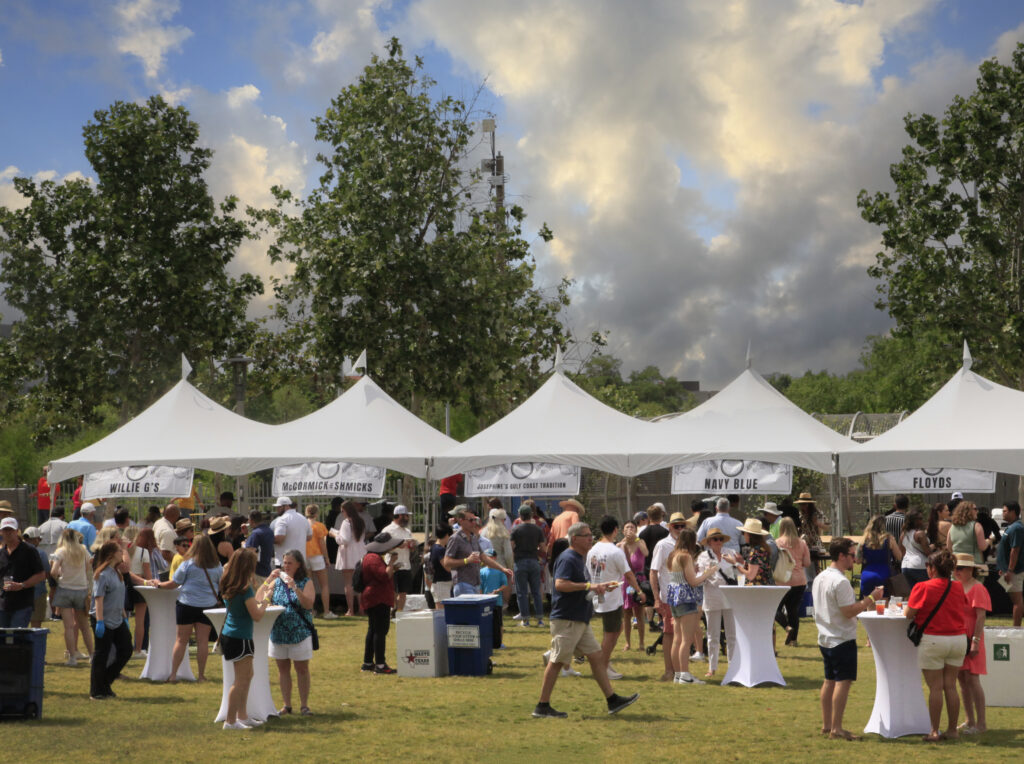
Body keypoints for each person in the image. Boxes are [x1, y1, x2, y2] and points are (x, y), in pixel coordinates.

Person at [532, 522, 640, 718]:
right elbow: (560, 584)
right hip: (568, 618)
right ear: (575, 539)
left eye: (591, 534)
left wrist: (599, 586)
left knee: (597, 657)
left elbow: (583, 585)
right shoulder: (568, 558)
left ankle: (612, 700)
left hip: (579, 618)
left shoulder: (579, 558)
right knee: (557, 662)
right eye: (586, 535)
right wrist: (589, 587)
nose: (591, 538)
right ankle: (542, 706)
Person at [812, 537, 884, 740]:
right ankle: (836, 728)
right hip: (841, 637)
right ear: (842, 556)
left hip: (825, 637)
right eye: (853, 555)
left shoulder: (821, 577)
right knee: (843, 682)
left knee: (829, 680)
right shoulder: (841, 581)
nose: (856, 560)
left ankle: (827, 725)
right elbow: (848, 611)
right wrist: (871, 598)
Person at [905, 549, 970, 742]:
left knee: (935, 687)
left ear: (932, 568)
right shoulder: (958, 587)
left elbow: (909, 614)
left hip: (933, 639)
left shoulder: (922, 587)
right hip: (958, 639)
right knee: (950, 686)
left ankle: (934, 730)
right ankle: (952, 729)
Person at [153, 533, 222, 682]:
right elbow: (221, 584)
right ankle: (201, 675)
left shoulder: (188, 564)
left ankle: (173, 675)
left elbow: (173, 584)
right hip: (207, 606)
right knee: (202, 642)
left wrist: (158, 584)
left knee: (181, 640)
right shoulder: (217, 566)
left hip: (187, 604)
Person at [586, 515, 644, 681]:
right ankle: (602, 667)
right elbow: (629, 575)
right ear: (616, 530)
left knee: (614, 630)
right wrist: (639, 591)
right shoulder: (615, 551)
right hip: (610, 597)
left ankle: (605, 662)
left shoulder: (592, 550)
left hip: (596, 594)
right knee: (611, 634)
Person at [258, 549, 316, 715]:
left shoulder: (306, 582)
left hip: (300, 633)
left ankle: (304, 705)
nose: (286, 566)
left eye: (290, 563)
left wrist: (295, 587)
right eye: (284, 563)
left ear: (298, 564)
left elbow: (308, 605)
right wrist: (269, 579)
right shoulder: (277, 583)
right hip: (278, 633)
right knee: (283, 670)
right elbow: (258, 598)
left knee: (302, 669)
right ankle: (286, 705)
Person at [219, 548, 269, 729]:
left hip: (233, 635)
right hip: (240, 637)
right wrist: (265, 601)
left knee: (247, 676)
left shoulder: (230, 583)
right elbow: (256, 615)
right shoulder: (244, 588)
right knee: (241, 680)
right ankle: (231, 721)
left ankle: (242, 715)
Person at [89, 540, 141, 699]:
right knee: (101, 654)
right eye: (120, 551)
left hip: (118, 618)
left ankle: (105, 681)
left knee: (126, 649)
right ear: (111, 554)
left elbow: (119, 599)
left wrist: (124, 617)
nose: (122, 554)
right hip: (103, 619)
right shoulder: (102, 575)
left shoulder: (118, 574)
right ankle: (97, 691)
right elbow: (98, 599)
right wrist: (99, 621)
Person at [666, 528, 715, 685]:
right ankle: (685, 675)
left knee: (678, 639)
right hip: (686, 598)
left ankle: (679, 674)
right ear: (692, 542)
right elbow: (693, 582)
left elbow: (680, 575)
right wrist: (709, 572)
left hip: (674, 598)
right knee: (686, 640)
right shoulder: (686, 556)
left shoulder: (673, 555)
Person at [954, 552, 990, 735]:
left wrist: (975, 641)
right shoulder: (957, 586)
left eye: (960, 568)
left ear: (970, 570)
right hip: (959, 637)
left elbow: (981, 616)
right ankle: (969, 720)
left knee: (973, 679)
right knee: (962, 679)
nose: (956, 571)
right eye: (954, 567)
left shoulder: (977, 588)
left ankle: (981, 723)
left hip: (972, 637)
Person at [649, 512, 686, 681]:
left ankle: (680, 671)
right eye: (676, 526)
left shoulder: (687, 544)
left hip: (685, 595)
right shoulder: (663, 545)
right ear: (669, 527)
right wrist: (656, 598)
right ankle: (669, 670)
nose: (679, 529)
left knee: (683, 634)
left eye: (682, 526)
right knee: (670, 633)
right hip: (669, 596)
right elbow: (653, 572)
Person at [696, 527, 737, 678]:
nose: (718, 542)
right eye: (715, 539)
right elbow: (699, 578)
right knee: (713, 635)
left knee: (731, 635)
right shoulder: (703, 556)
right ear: (709, 542)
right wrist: (707, 572)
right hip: (712, 597)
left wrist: (735, 563)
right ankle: (712, 668)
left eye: (720, 539)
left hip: (729, 597)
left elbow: (739, 572)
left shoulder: (730, 553)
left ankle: (733, 666)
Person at [443, 508, 512, 595]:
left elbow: (484, 557)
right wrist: (466, 560)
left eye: (475, 520)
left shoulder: (473, 537)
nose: (474, 523)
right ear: (461, 521)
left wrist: (503, 569)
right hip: (463, 583)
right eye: (471, 520)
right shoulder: (455, 538)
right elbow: (447, 562)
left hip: (475, 584)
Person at [360, 532, 403, 674]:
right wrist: (391, 563)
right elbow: (384, 575)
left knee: (373, 629)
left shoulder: (371, 557)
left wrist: (392, 566)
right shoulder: (373, 558)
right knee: (380, 631)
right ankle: (379, 664)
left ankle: (367, 662)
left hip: (374, 597)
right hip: (378, 598)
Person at [49, 527, 94, 663]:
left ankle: (72, 657)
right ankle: (92, 655)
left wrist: (61, 577)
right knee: (85, 625)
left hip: (65, 589)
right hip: (81, 589)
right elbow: (87, 567)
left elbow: (53, 571)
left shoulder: (60, 551)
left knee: (68, 626)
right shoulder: (83, 549)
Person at [0, 517, 46, 628]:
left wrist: (22, 585)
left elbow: (41, 575)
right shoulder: (1, 553)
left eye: (11, 530)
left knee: (17, 637)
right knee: (3, 639)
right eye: (5, 530)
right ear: (1, 532)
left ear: (17, 531)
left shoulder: (29, 550)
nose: (8, 533)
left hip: (23, 603)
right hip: (3, 604)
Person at [775, 516, 812, 646]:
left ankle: (787, 627)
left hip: (782, 581)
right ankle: (793, 640)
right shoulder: (802, 543)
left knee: (775, 609)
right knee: (793, 611)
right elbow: (807, 563)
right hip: (799, 581)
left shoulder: (778, 543)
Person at [510, 504, 547, 626]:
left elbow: (511, 546)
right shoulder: (537, 529)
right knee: (536, 591)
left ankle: (525, 620)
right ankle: (540, 619)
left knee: (522, 592)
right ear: (531, 515)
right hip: (534, 561)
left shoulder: (515, 529)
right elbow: (543, 547)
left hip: (520, 562)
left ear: (520, 515)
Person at [128, 528, 161, 657]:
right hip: (140, 586)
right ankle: (138, 650)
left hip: (125, 584)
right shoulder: (143, 552)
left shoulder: (123, 552)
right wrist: (149, 582)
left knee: (123, 618)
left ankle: (126, 646)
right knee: (140, 621)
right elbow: (148, 575)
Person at [331, 500, 367, 616]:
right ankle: (361, 609)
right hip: (360, 552)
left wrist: (335, 535)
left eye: (342, 511)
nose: (342, 513)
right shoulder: (360, 521)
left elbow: (344, 540)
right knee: (360, 582)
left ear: (347, 511)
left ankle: (351, 610)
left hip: (348, 553)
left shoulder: (346, 522)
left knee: (348, 583)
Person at [617, 521, 648, 651]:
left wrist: (635, 538)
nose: (630, 529)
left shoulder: (640, 543)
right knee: (627, 613)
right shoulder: (619, 545)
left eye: (632, 527)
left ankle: (641, 643)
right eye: (627, 527)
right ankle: (628, 643)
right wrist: (624, 542)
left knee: (639, 613)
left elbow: (646, 553)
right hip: (626, 582)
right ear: (623, 531)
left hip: (639, 580)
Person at [855, 515, 902, 598]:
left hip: (867, 575)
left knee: (869, 606)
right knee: (884, 608)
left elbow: (858, 561)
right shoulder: (889, 539)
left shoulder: (864, 540)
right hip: (885, 575)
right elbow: (899, 556)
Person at [380, 504, 415, 613]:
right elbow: (381, 547)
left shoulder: (407, 531)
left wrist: (412, 546)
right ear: (399, 516)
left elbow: (410, 549)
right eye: (405, 516)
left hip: (405, 565)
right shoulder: (388, 530)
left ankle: (399, 613)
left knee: (403, 592)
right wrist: (397, 546)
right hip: (393, 565)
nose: (407, 518)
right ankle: (392, 611)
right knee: (392, 591)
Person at [996, 500, 1024, 626]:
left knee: (1017, 601)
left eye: (1005, 511)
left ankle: (1016, 628)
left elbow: (1015, 550)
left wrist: (1010, 570)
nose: (1003, 513)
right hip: (1007, 570)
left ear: (1013, 512)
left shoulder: (1017, 528)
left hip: (1015, 571)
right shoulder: (1011, 527)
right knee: (1014, 600)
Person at [303, 504, 334, 618]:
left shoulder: (303, 524)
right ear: (316, 513)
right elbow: (322, 544)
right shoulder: (319, 525)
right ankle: (326, 611)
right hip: (317, 556)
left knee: (309, 585)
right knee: (324, 585)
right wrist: (326, 558)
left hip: (305, 556)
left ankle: (311, 611)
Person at [727, 518, 775, 586]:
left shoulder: (756, 551)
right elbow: (757, 567)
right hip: (764, 588)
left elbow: (750, 576)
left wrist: (734, 563)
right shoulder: (762, 548)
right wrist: (742, 562)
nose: (743, 535)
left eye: (744, 533)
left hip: (757, 590)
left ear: (749, 535)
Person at [272, 496, 311, 567]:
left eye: (279, 507)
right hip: (300, 561)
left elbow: (279, 539)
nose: (277, 509)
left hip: (285, 562)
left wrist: (266, 539)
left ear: (286, 506)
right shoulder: (303, 518)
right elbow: (309, 537)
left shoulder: (282, 519)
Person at [21, 527, 49, 628]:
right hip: (38, 592)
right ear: (34, 539)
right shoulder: (41, 553)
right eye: (39, 539)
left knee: (20, 624)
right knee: (36, 624)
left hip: (20, 591)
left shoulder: (17, 551)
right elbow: (47, 573)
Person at [900, 508, 931, 588]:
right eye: (920, 519)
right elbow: (928, 552)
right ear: (914, 521)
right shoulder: (920, 534)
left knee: (913, 593)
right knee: (925, 590)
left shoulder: (903, 534)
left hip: (905, 566)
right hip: (919, 565)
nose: (922, 520)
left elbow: (902, 552)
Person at [244, 510, 274, 586]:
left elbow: (250, 552)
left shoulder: (256, 533)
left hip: (257, 572)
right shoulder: (269, 531)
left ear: (251, 520)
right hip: (267, 569)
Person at [481, 508, 514, 573]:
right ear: (501, 519)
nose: (504, 521)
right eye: (504, 519)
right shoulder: (503, 533)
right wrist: (510, 568)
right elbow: (508, 554)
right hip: (501, 567)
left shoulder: (483, 532)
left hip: (486, 568)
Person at [428, 525, 453, 607]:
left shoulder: (434, 547)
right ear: (446, 535)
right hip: (441, 584)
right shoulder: (440, 549)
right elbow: (447, 567)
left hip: (441, 584)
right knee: (441, 612)